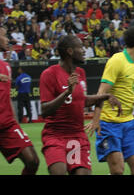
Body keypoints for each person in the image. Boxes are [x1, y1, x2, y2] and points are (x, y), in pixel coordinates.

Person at [39, 35, 121, 175]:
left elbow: (80, 100)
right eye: (81, 47)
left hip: (77, 135)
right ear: (70, 51)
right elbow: (45, 110)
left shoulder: (80, 73)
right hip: (55, 135)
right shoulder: (49, 74)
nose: (84, 51)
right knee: (58, 172)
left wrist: (105, 96)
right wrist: (67, 92)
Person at [86, 26, 134, 175]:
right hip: (108, 123)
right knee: (117, 171)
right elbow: (101, 92)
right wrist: (96, 120)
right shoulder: (117, 61)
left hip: (128, 123)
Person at [0, 26, 40, 174]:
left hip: (7, 126)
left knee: (33, 161)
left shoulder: (5, 66)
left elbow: (7, 96)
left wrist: (15, 121)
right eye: (4, 35)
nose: (8, 40)